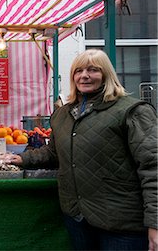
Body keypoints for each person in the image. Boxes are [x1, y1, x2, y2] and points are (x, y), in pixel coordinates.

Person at [9, 49, 157, 251]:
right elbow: (53, 152)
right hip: (78, 218)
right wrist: (21, 159)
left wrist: (155, 223)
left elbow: (153, 168)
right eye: (78, 71)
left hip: (121, 223)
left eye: (93, 70)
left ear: (106, 74)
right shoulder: (63, 114)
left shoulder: (132, 111)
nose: (84, 75)